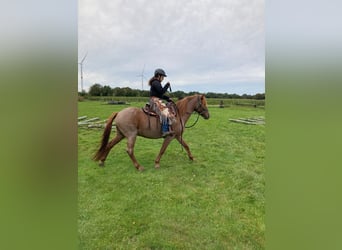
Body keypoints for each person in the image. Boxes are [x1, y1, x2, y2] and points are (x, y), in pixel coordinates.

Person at [148, 68, 175, 137]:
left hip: (157, 100)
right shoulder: (155, 82)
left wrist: (168, 98)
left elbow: (160, 95)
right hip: (154, 101)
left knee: (167, 110)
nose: (163, 78)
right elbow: (161, 91)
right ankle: (164, 131)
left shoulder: (156, 83)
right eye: (162, 77)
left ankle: (168, 128)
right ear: (159, 76)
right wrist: (167, 85)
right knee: (165, 112)